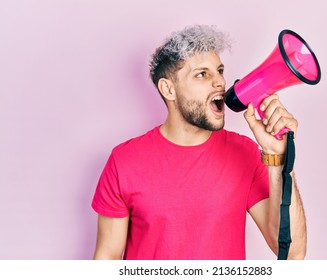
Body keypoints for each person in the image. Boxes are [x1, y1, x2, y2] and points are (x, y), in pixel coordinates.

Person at [91, 25, 306, 260]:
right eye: (202, 74)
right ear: (168, 89)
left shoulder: (246, 153)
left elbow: (292, 252)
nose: (219, 83)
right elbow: (107, 258)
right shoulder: (124, 161)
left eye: (220, 70)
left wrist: (279, 157)